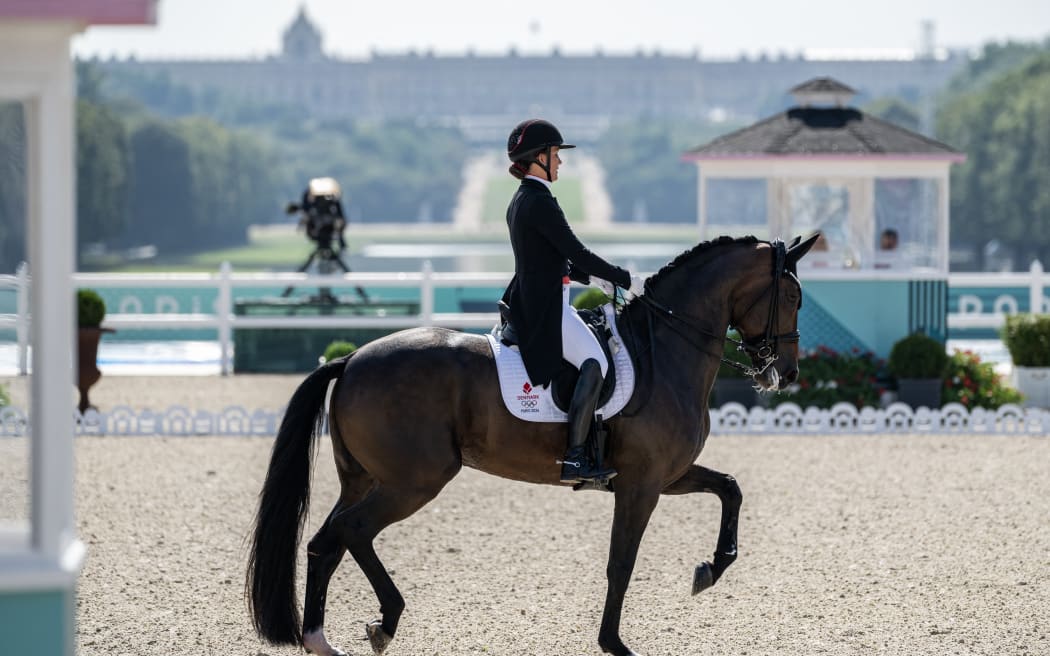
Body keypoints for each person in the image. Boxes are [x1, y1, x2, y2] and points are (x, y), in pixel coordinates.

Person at [499, 119, 644, 484]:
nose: (560, 162)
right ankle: (576, 457)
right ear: (539, 158)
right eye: (555, 155)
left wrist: (592, 278)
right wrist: (625, 279)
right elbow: (576, 251)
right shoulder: (540, 201)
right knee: (596, 363)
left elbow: (553, 261)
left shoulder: (524, 199)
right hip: (546, 310)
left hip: (539, 300)